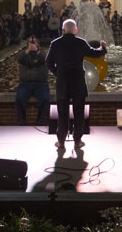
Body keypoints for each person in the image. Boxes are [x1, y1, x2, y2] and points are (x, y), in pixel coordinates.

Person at [45, 18, 107, 149]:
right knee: (79, 113)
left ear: (63, 30)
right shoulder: (81, 42)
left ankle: (61, 141)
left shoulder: (55, 43)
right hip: (78, 82)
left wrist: (58, 72)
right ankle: (77, 141)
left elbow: (48, 62)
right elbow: (94, 54)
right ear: (76, 30)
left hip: (63, 83)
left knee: (63, 113)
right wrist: (103, 48)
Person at [15, 35, 51, 125]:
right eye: (30, 43)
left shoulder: (42, 53)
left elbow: (46, 60)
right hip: (25, 84)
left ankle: (41, 121)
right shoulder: (24, 53)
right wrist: (27, 50)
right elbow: (18, 59)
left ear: (38, 44)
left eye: (34, 42)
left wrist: (37, 51)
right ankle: (21, 121)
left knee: (45, 99)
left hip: (41, 84)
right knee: (19, 98)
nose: (32, 44)